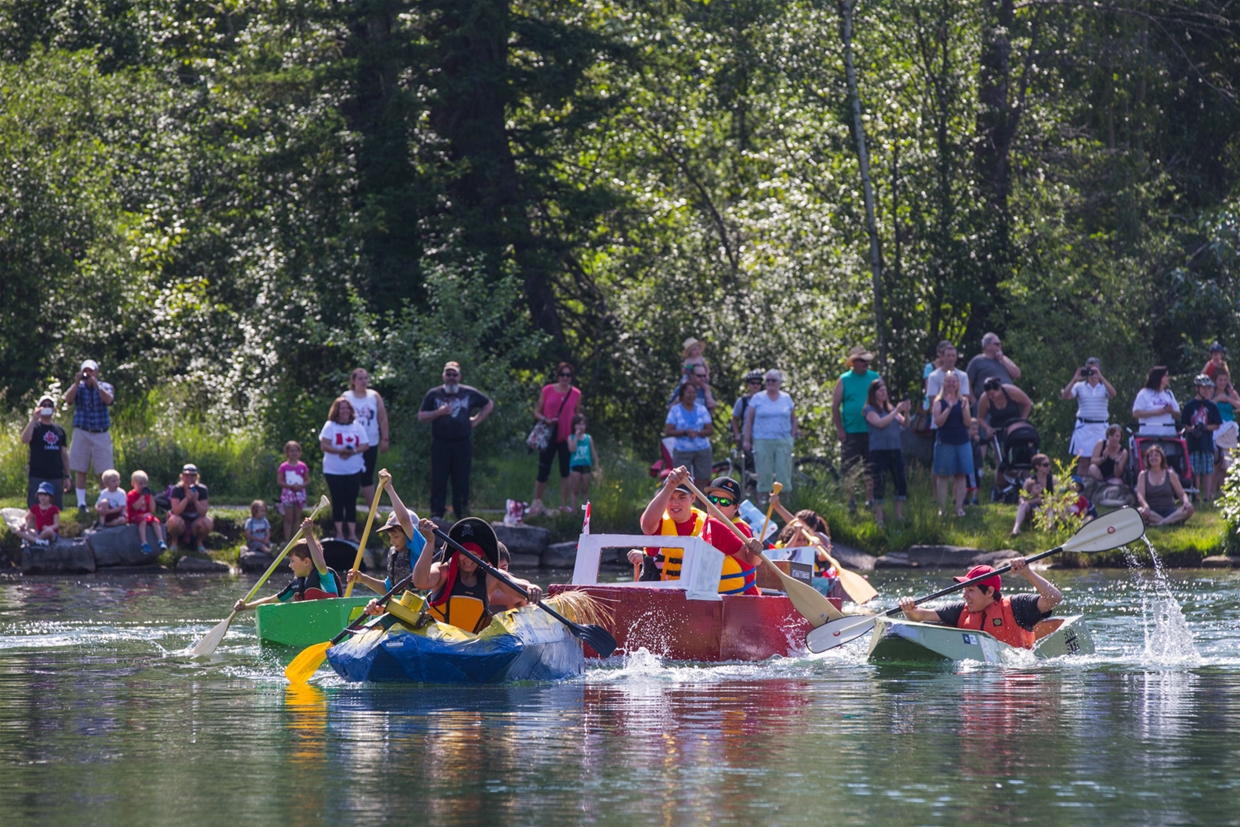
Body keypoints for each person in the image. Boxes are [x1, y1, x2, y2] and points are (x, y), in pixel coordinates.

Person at [626, 466, 764, 595]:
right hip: (662, 599)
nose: (675, 503)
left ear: (693, 498)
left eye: (682, 497)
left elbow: (750, 559)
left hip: (698, 602)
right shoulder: (658, 520)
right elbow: (647, 526)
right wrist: (670, 486)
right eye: (671, 497)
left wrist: (755, 550)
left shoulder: (713, 527)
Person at [401, 517, 542, 633]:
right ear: (456, 553)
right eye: (464, 554)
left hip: (471, 648)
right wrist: (430, 542)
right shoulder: (443, 571)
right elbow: (419, 582)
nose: (468, 560)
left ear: (481, 556)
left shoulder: (489, 577)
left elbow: (516, 584)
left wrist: (531, 587)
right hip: (437, 643)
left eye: (474, 555)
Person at [897, 560, 1062, 650]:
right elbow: (920, 616)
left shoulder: (1016, 606)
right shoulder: (960, 610)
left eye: (970, 590)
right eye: (964, 590)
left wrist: (1027, 573)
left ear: (989, 592)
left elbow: (1054, 598)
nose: (965, 595)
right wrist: (908, 608)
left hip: (1014, 675)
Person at [418, 361, 493, 520]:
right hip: (440, 442)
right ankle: (437, 513)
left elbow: (488, 404)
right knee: (438, 478)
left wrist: (476, 421)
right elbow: (421, 416)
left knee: (461, 479)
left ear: (459, 376)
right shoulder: (434, 394)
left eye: (454, 374)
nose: (451, 377)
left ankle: (461, 513)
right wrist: (438, 413)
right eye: (448, 374)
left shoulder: (469, 393)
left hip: (462, 443)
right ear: (443, 376)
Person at [233, 520, 341, 611]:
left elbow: (321, 565)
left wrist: (308, 535)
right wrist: (246, 606)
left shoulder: (324, 577)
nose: (290, 565)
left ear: (306, 562)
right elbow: (271, 600)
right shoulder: (296, 584)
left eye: (292, 561)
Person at [347, 469, 425, 595]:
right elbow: (388, 590)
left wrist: (389, 488)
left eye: (396, 536)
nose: (392, 541)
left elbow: (404, 520)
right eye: (391, 536)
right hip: (400, 609)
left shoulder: (420, 548)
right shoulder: (395, 554)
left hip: (420, 609)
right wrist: (363, 579)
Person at [832, 346, 881, 511]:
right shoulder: (844, 379)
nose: (865, 363)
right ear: (853, 363)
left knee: (871, 467)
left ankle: (870, 500)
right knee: (849, 467)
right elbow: (835, 406)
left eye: (867, 360)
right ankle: (850, 500)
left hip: (872, 430)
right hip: (851, 431)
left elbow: (882, 398)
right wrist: (840, 429)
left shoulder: (874, 377)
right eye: (861, 360)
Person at [63, 359, 115, 514]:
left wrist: (96, 385)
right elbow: (68, 399)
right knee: (81, 469)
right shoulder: (78, 388)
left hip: (100, 432)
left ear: (96, 372)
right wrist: (76, 383)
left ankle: (103, 502)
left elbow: (109, 400)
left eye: (91, 371)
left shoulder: (105, 386)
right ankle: (81, 503)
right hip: (82, 431)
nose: (88, 374)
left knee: (103, 470)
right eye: (86, 371)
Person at [531, 362, 582, 516]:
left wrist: (578, 432)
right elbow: (537, 412)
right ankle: (537, 502)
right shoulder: (547, 390)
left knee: (565, 471)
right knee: (543, 470)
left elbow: (576, 415)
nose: (565, 378)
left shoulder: (576, 394)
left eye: (568, 375)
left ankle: (563, 505)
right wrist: (546, 420)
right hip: (549, 436)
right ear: (558, 375)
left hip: (566, 437)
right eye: (562, 375)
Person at [743, 369, 800, 501]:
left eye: (773, 380)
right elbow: (749, 420)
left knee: (784, 473)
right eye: (767, 380)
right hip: (762, 440)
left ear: (779, 382)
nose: (770, 383)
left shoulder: (786, 398)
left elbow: (794, 419)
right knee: (764, 474)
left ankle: (785, 505)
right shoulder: (758, 398)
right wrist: (747, 440)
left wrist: (791, 435)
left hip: (783, 440)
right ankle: (762, 507)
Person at [319, 396, 369, 542]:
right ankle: (340, 533)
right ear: (337, 410)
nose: (345, 411)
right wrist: (340, 451)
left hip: (353, 469)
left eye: (347, 408)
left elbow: (365, 445)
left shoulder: (357, 426)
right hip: (334, 470)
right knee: (338, 500)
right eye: (342, 408)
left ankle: (352, 534)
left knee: (351, 501)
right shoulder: (330, 426)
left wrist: (351, 452)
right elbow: (324, 445)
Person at [863, 379, 909, 527]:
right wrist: (897, 410)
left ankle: (898, 515)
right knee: (879, 482)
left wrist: (906, 412)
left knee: (900, 481)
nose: (884, 393)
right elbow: (880, 423)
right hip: (878, 451)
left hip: (895, 449)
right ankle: (879, 517)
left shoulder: (891, 408)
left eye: (885, 390)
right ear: (873, 393)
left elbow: (905, 424)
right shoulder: (869, 410)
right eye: (880, 390)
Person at [344, 368, 390, 510]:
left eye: (365, 378)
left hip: (370, 442)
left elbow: (382, 418)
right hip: (351, 443)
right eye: (360, 378)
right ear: (353, 381)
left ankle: (373, 510)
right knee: (349, 477)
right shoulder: (347, 396)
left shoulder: (374, 396)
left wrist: (385, 439)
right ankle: (347, 509)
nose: (364, 381)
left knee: (367, 476)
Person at [1061, 357, 1116, 470]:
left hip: (1101, 427)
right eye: (1089, 370)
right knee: (1083, 461)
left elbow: (1113, 394)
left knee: (1101, 459)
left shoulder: (1104, 386)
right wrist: (1074, 380)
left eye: (1094, 370)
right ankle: (1082, 486)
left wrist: (1101, 377)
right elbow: (1066, 396)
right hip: (1084, 427)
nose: (1091, 373)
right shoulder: (1079, 386)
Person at [932, 371, 973, 517]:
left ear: (958, 384)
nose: (951, 384)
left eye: (953, 382)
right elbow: (939, 422)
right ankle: (942, 508)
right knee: (943, 476)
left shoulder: (963, 401)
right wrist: (948, 408)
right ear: (944, 384)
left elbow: (967, 423)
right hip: (945, 442)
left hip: (962, 441)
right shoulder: (938, 402)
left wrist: (964, 409)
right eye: (948, 381)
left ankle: (959, 507)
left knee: (961, 475)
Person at [21, 394, 69, 508]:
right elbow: (25, 439)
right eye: (44, 405)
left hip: (56, 475)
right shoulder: (35, 427)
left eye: (49, 405)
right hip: (37, 475)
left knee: (55, 509)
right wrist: (34, 419)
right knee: (35, 508)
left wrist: (67, 476)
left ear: (54, 409)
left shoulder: (59, 430)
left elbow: (64, 454)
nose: (47, 407)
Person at [665, 382, 714, 490]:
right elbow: (668, 431)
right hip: (682, 451)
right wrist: (684, 432)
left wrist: (697, 433)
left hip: (702, 450)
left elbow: (709, 430)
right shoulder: (675, 410)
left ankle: (701, 504)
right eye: (688, 392)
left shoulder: (702, 409)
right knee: (681, 480)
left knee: (703, 480)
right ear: (682, 394)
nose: (691, 395)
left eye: (693, 393)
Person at [1181, 375, 1222, 501]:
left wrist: (1205, 428)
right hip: (1193, 444)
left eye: (1208, 388)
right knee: (1195, 472)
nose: (1206, 390)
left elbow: (1217, 424)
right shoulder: (1189, 406)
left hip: (1207, 443)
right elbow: (1184, 424)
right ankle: (1196, 496)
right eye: (1203, 388)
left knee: (1207, 471)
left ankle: (1206, 497)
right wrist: (1192, 429)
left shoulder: (1211, 406)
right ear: (1197, 388)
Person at [1136, 444, 1194, 526]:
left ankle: (1158, 524)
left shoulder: (1170, 474)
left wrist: (1186, 502)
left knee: (1188, 510)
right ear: (1148, 459)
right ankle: (1172, 522)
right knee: (1138, 512)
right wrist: (1145, 506)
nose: (1153, 458)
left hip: (1170, 510)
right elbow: (1140, 495)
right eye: (1151, 456)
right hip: (1152, 511)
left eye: (1156, 455)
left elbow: (1181, 494)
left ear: (1161, 458)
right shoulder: (1143, 475)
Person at [167, 464, 214, 553]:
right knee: (173, 521)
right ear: (182, 477)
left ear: (196, 477)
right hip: (181, 521)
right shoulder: (176, 489)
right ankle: (174, 541)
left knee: (208, 522)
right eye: (187, 476)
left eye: (192, 476)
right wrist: (187, 499)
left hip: (195, 521)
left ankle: (199, 542)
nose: (189, 479)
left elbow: (203, 512)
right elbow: (176, 511)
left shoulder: (202, 489)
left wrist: (196, 501)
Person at [1012, 453, 1054, 536]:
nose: (1048, 467)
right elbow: (1021, 498)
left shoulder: (1053, 480)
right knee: (1023, 505)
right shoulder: (1029, 482)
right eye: (1045, 465)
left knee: (1051, 506)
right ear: (1037, 467)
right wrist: (1033, 501)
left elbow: (1057, 497)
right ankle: (1016, 529)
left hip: (1047, 508)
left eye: (1049, 464)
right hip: (1032, 509)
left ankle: (1050, 526)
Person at [1211, 368, 1240, 486]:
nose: (1222, 382)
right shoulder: (1211, 392)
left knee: (1228, 462)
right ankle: (1212, 490)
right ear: (1215, 380)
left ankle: (1224, 489)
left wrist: (1228, 399)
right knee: (1217, 461)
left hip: (1229, 428)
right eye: (1220, 380)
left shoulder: (1231, 392)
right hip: (1216, 428)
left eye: (1224, 380)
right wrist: (1217, 399)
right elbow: (1207, 406)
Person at [126, 470, 166, 555]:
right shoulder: (131, 494)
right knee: (142, 522)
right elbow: (135, 507)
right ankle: (144, 544)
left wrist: (151, 496)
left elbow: (152, 509)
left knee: (155, 521)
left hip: (146, 515)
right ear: (133, 484)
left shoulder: (147, 495)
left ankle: (160, 540)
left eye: (145, 484)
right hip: (135, 515)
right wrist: (142, 496)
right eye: (140, 484)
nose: (143, 486)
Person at [1132, 366, 1180, 436]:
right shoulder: (1144, 393)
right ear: (1159, 377)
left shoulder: (1169, 394)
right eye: (1166, 376)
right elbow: (1135, 413)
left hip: (1169, 436)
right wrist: (1156, 412)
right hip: (1148, 436)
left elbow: (1178, 414)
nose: (1168, 378)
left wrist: (1171, 410)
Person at [277, 441, 309, 542]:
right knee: (288, 519)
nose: (294, 453)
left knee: (298, 518)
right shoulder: (283, 466)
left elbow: (307, 480)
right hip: (288, 495)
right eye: (291, 451)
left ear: (299, 452)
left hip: (299, 494)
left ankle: (297, 541)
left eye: (296, 451)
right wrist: (290, 486)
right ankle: (287, 541)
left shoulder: (303, 466)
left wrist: (301, 486)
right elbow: (279, 481)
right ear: (287, 453)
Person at [566, 413, 597, 511]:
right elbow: (572, 449)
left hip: (586, 464)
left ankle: (585, 512)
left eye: (583, 424)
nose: (581, 426)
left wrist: (597, 464)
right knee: (574, 490)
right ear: (574, 426)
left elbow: (593, 452)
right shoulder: (570, 437)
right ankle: (573, 511)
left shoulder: (588, 438)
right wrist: (576, 436)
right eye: (578, 424)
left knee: (585, 489)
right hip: (575, 465)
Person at [731, 370, 764, 445]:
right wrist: (737, 435)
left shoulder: (766, 401)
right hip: (747, 437)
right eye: (753, 383)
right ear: (748, 384)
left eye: (758, 383)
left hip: (763, 437)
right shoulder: (742, 401)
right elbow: (734, 419)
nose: (755, 385)